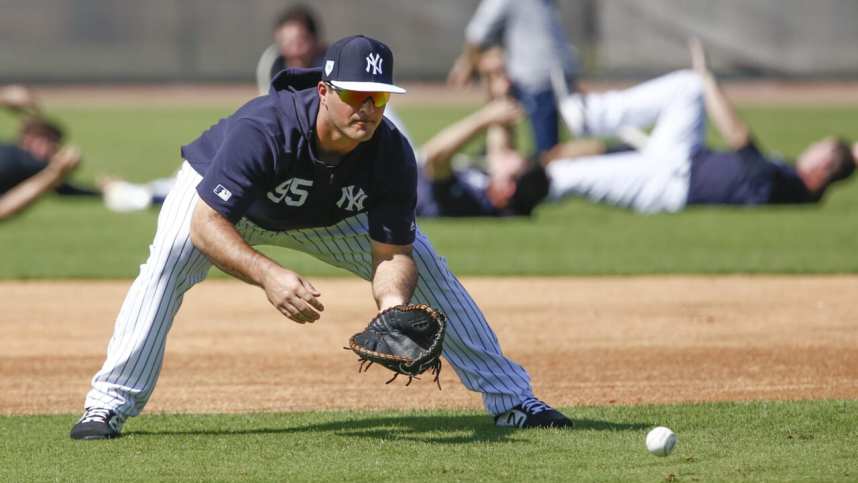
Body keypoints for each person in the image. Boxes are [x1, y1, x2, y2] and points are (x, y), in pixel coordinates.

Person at [69, 35, 571, 440]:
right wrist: (267, 275)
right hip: (223, 207)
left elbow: (392, 251)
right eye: (355, 94)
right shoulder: (265, 128)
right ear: (325, 91)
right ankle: (107, 405)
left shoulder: (390, 152)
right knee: (169, 261)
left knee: (430, 270)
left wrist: (392, 305)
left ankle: (513, 401)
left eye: (378, 97)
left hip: (328, 217)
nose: (368, 108)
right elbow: (205, 225)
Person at [544, 39, 857, 213]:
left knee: (567, 176)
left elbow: (739, 138)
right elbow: (847, 160)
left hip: (669, 182)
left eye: (820, 149)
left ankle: (507, 196)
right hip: (677, 159)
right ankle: (591, 116)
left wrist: (711, 79)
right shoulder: (793, 177)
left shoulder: (792, 187)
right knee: (690, 85)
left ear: (825, 166)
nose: (812, 147)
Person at [447, 0, 578, 156]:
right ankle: (499, 156)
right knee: (502, 105)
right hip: (554, 73)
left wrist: (466, 64)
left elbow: (477, 33)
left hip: (538, 77)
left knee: (547, 151)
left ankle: (504, 159)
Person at [0, 85, 93, 221]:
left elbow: (63, 189)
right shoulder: (22, 158)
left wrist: (54, 174)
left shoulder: (33, 165)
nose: (51, 149)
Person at [255, 4, 327, 95]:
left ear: (314, 40)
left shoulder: (331, 66)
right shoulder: (272, 66)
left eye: (299, 42)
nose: (294, 51)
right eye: (287, 42)